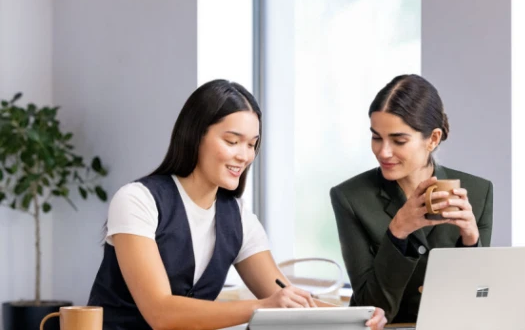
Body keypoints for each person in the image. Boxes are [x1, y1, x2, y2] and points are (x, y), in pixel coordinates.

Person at [88, 80, 386, 330]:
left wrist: (361, 317)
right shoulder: (138, 200)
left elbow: (284, 296)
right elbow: (161, 313)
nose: (244, 155)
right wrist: (261, 307)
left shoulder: (237, 216)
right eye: (232, 141)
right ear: (195, 136)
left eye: (252, 144)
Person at [330, 74, 494, 323]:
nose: (383, 152)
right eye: (376, 137)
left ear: (433, 139)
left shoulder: (478, 192)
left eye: (398, 140)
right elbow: (371, 308)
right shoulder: (350, 198)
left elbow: (476, 303)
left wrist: (471, 241)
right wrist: (397, 232)